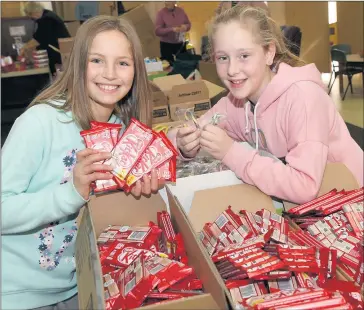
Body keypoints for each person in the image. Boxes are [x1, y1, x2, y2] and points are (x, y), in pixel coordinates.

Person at [1, 15, 163, 310]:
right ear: (77, 64)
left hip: (82, 284)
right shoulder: (40, 123)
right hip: (19, 293)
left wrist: (140, 192)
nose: (110, 74)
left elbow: (107, 216)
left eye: (123, 63)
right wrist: (70, 193)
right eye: (97, 60)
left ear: (137, 72)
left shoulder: (125, 133)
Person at [170, 5, 363, 204]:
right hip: (306, 209)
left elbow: (304, 186)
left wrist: (232, 153)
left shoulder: (303, 98)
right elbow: (188, 130)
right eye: (223, 58)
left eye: (244, 56)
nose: (232, 69)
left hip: (350, 203)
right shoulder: (235, 103)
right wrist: (184, 144)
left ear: (269, 53)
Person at [21, 2, 71, 75]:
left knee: (58, 76)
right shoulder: (48, 14)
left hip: (58, 53)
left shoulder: (47, 19)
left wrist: (25, 47)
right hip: (61, 52)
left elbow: (39, 38)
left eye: (31, 16)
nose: (32, 19)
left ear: (33, 12)